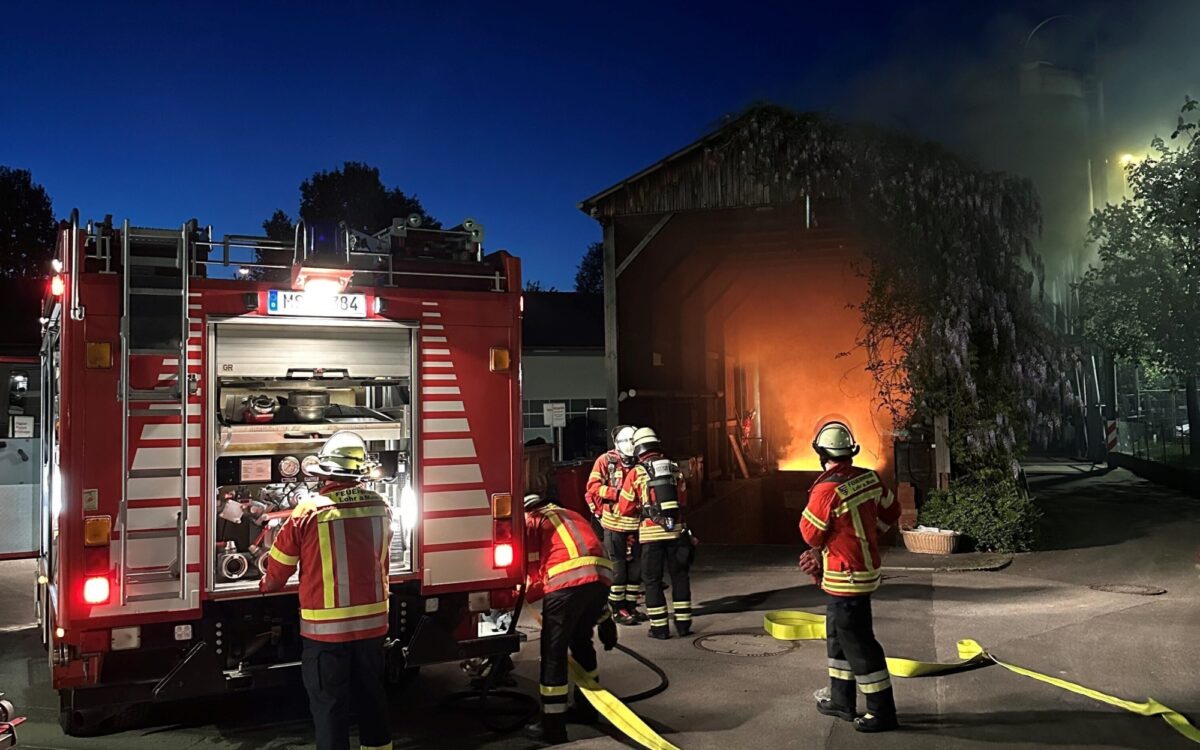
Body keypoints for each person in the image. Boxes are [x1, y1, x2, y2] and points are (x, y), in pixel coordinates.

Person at [260, 431, 394, 750]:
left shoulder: (308, 512)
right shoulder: (381, 505)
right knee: (373, 703)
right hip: (374, 628)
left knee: (331, 709)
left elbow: (279, 567)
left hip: (325, 636)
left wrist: (266, 585)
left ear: (325, 474)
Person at [798, 421, 901, 733]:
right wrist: (872, 535)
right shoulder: (869, 479)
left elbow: (810, 534)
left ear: (821, 454)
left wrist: (820, 550)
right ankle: (842, 701)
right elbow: (892, 511)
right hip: (860, 572)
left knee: (859, 643)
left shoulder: (826, 489)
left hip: (846, 576)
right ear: (850, 451)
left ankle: (881, 712)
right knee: (839, 639)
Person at [523, 493, 619, 744]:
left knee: (553, 654)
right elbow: (588, 565)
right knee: (581, 643)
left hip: (564, 583)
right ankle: (588, 711)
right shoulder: (571, 514)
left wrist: (516, 595)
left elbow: (534, 571)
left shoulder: (532, 520)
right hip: (601, 576)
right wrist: (606, 618)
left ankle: (553, 727)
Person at [619, 427, 693, 639]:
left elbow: (625, 507)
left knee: (652, 581)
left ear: (638, 448)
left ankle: (660, 629)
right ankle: (684, 625)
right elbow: (684, 500)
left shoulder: (637, 472)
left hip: (651, 536)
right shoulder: (674, 468)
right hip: (676, 534)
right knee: (680, 577)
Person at [588, 425, 645, 625]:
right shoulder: (605, 461)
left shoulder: (640, 461)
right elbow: (592, 488)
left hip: (637, 525)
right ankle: (617, 608)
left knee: (636, 568)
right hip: (614, 525)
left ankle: (630, 606)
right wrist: (616, 493)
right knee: (618, 568)